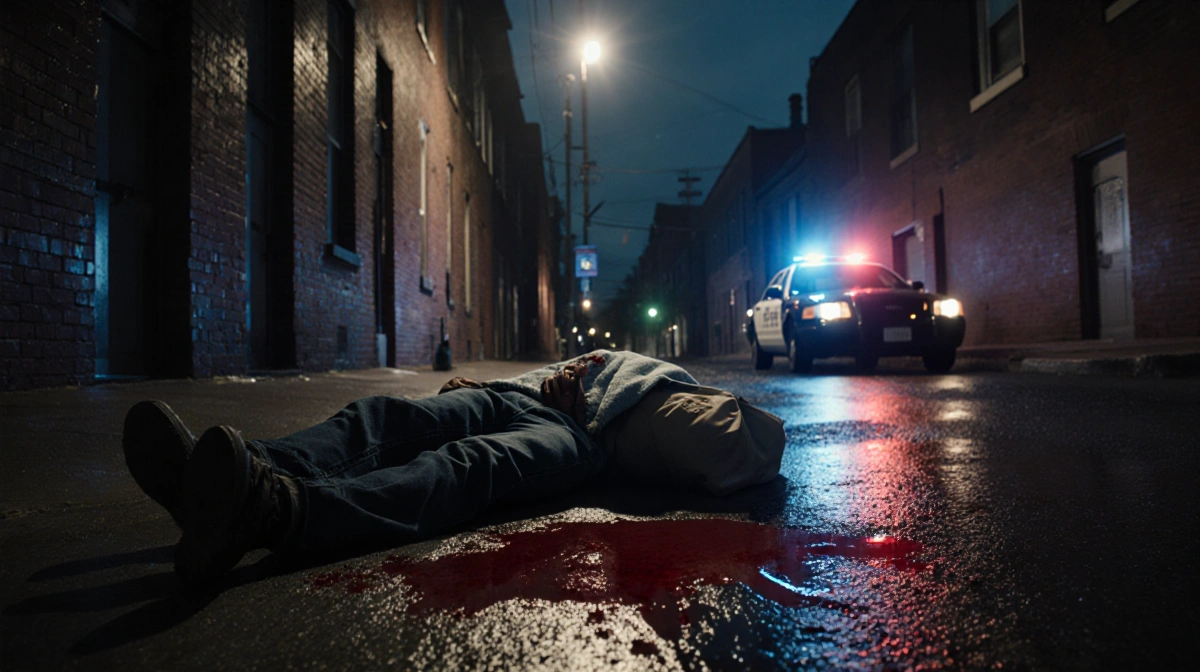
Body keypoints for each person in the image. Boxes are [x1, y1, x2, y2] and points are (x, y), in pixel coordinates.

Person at [122, 350, 785, 588]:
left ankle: (277, 510)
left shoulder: (663, 381)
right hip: (507, 394)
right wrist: (479, 383)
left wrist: (581, 407)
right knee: (379, 419)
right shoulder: (591, 354)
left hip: (577, 439)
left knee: (468, 467)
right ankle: (226, 476)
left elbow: (749, 441)